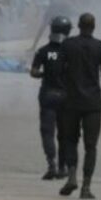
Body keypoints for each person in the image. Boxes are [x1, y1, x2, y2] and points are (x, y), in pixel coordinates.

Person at [59, 13, 101, 200]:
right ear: (94, 27)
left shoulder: (67, 45)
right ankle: (86, 186)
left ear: (78, 25)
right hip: (93, 103)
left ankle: (72, 176)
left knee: (70, 141)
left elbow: (59, 72)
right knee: (90, 146)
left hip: (71, 102)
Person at [30, 16, 72, 180]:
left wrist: (44, 74)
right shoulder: (71, 51)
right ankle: (64, 167)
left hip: (48, 95)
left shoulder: (43, 51)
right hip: (66, 96)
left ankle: (51, 165)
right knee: (65, 133)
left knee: (48, 132)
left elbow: (34, 72)